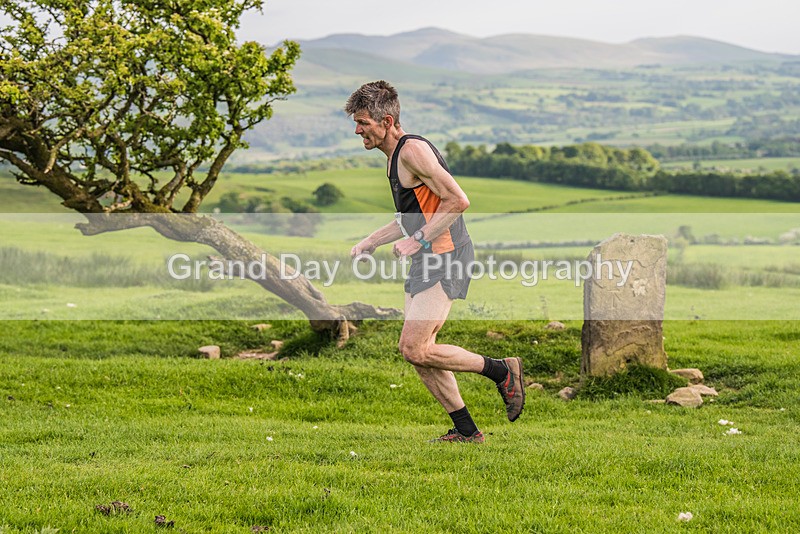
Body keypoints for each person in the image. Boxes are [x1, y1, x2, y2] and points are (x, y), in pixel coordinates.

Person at [345, 80, 525, 443]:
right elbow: (411, 215)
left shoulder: (412, 152)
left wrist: (418, 240)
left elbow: (458, 200)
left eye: (363, 122)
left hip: (446, 255)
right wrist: (371, 241)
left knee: (415, 347)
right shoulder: (396, 157)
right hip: (428, 256)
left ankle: (501, 371)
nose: (357, 129)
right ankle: (467, 431)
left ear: (388, 120)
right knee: (417, 352)